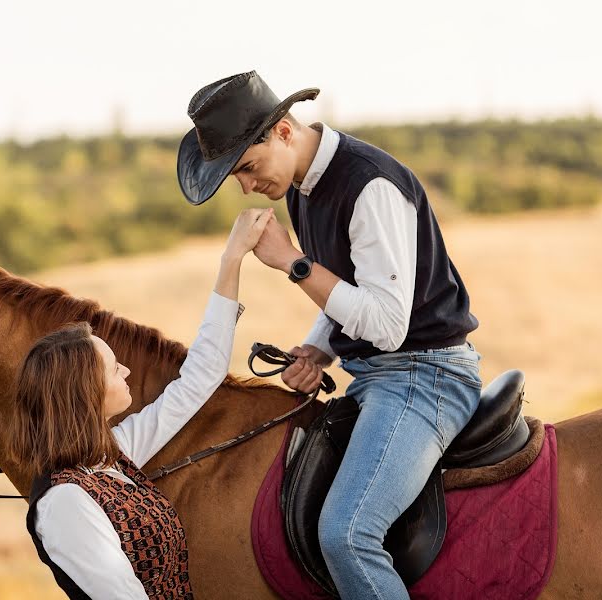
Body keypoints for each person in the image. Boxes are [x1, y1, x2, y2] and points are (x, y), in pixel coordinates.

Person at [177, 71, 482, 599]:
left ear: (284, 133)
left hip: (425, 378)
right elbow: (347, 285)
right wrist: (319, 348)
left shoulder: (370, 185)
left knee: (347, 535)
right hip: (377, 375)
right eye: (237, 179)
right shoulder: (301, 185)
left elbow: (388, 327)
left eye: (248, 168)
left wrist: (292, 263)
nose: (247, 187)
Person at [7, 207, 274, 599]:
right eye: (115, 369)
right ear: (85, 394)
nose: (128, 372)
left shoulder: (112, 455)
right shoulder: (65, 503)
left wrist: (231, 259)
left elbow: (201, 376)